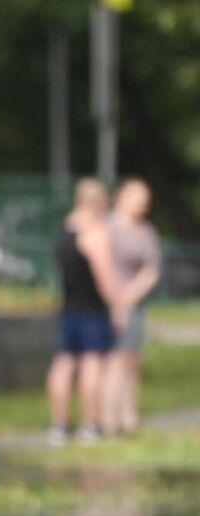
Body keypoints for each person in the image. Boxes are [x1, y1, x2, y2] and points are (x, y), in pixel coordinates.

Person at [45, 178, 124, 444]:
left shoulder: (66, 229)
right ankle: (91, 425)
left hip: (69, 308)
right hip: (92, 310)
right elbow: (105, 277)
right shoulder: (95, 233)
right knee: (92, 363)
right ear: (97, 202)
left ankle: (60, 425)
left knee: (65, 362)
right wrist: (117, 306)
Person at [103, 178, 160, 436]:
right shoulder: (108, 227)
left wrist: (129, 296)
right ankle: (108, 418)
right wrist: (117, 299)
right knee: (113, 361)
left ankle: (128, 416)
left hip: (134, 303)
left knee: (132, 360)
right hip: (107, 303)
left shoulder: (146, 231)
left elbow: (151, 270)